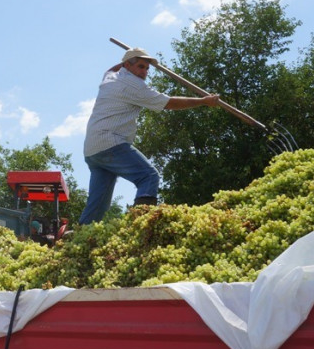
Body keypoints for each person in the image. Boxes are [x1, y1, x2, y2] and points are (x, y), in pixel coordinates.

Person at [79, 47, 220, 225]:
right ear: (127, 66)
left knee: (98, 204)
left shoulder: (110, 78)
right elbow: (169, 103)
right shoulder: (134, 86)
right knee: (148, 176)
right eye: (140, 66)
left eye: (147, 68)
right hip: (111, 143)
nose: (144, 72)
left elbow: (110, 69)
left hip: (93, 150)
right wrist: (203, 102)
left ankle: (77, 235)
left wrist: (130, 59)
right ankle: (141, 226)